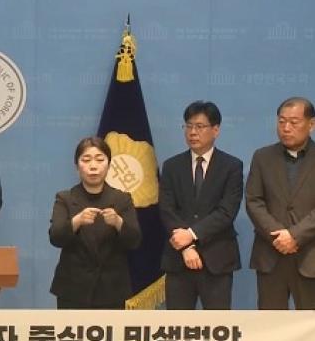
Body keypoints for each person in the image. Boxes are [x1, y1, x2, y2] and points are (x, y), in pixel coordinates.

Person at [159, 101, 243, 310]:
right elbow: (167, 209)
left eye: (199, 126)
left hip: (217, 259)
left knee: (217, 324)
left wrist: (191, 235)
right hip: (178, 259)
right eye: (188, 126)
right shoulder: (171, 166)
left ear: (216, 130)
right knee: (177, 325)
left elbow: (226, 212)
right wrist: (186, 247)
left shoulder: (231, 166)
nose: (192, 132)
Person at [49, 136, 141, 309]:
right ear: (77, 166)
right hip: (72, 288)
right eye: (86, 160)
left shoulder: (122, 199)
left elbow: (135, 241)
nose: (93, 166)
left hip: (112, 289)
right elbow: (55, 237)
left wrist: (118, 222)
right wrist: (76, 221)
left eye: (100, 160)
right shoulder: (65, 198)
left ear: (109, 164)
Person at [246, 96, 315, 309]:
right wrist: (278, 236)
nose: (286, 128)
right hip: (271, 255)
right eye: (281, 121)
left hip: (310, 256)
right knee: (270, 323)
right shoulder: (262, 157)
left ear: (311, 124)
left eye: (294, 122)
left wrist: (295, 235)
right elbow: (253, 201)